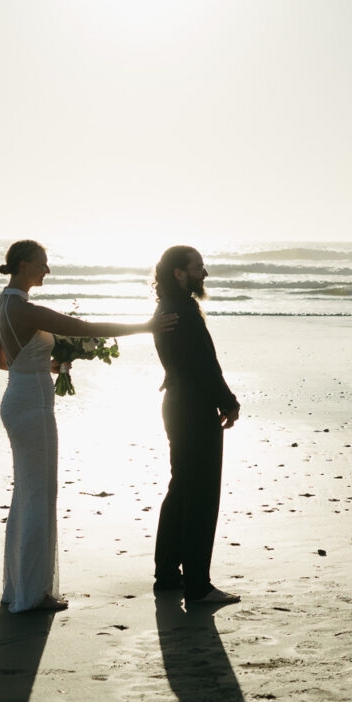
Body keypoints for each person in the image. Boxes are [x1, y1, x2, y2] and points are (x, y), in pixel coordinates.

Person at [0, 239, 176, 613]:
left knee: (26, 494)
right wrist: (147, 325)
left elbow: (1, 361)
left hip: (18, 399)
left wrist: (52, 366)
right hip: (33, 408)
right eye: (43, 263)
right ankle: (34, 594)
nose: (47, 270)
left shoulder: (3, 305)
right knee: (39, 495)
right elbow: (83, 327)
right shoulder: (26, 309)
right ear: (25, 264)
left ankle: (19, 587)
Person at [151, 245, 242, 604]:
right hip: (192, 406)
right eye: (198, 267)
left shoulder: (165, 309)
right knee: (201, 495)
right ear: (179, 272)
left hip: (175, 403)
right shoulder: (183, 311)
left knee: (181, 490)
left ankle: (167, 575)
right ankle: (198, 585)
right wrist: (229, 401)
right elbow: (204, 365)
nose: (204, 274)